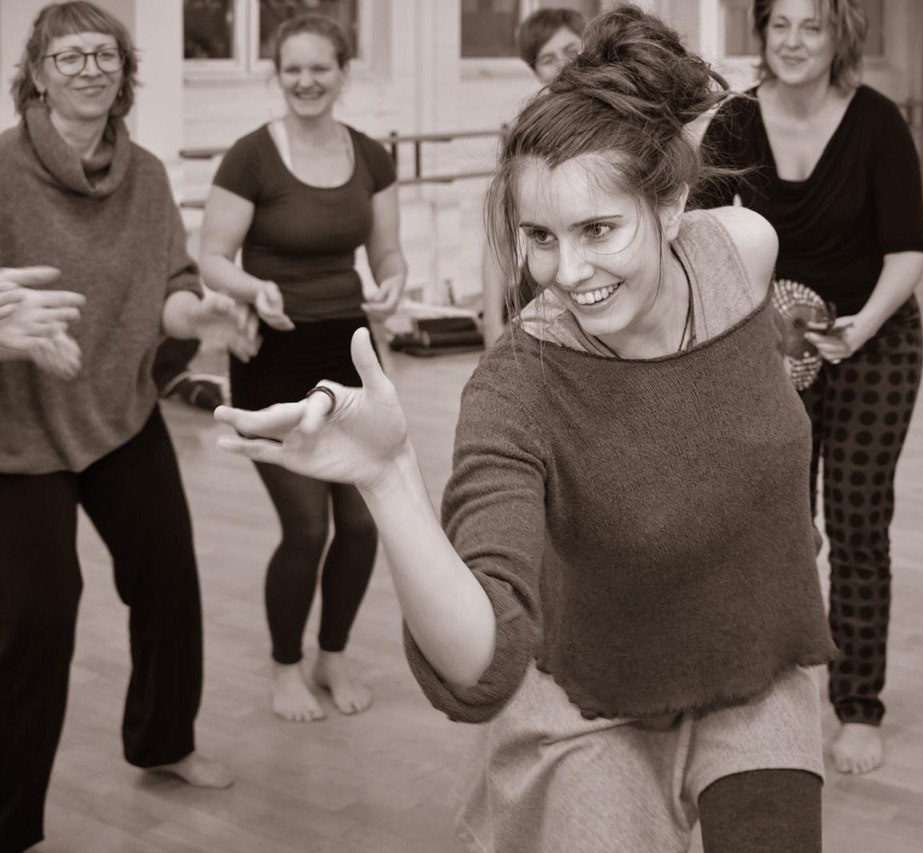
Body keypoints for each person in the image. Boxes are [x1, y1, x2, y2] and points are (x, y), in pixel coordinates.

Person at [216, 6, 837, 850]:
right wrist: (388, 479)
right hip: (593, 696)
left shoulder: (742, 251)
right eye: (540, 237)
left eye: (599, 229)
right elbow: (481, 658)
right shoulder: (518, 386)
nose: (567, 271)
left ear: (671, 204)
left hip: (755, 660)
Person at [0, 3, 255, 849]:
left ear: (124, 72)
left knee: (168, 578)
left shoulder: (144, 175)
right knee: (39, 615)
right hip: (17, 434)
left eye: (104, 55)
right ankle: (9, 822)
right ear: (38, 76)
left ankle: (163, 739)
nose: (89, 69)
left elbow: (170, 286)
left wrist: (200, 313)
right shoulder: (1, 170)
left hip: (118, 410)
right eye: (68, 57)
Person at [695, 0, 923, 774]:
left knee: (857, 525)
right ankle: (773, 687)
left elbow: (908, 248)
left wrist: (859, 327)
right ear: (762, 34)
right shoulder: (735, 121)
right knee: (778, 524)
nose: (794, 41)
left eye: (813, 26)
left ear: (839, 38)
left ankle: (858, 706)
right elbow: (696, 234)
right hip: (773, 349)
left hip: (874, 338)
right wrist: (747, 321)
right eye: (781, 25)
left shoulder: (877, 123)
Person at [199, 13, 407, 722]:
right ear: (277, 75)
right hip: (274, 356)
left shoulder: (371, 156)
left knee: (362, 524)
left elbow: (387, 252)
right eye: (293, 69)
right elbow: (212, 258)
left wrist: (394, 279)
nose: (306, 81)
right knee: (307, 527)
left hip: (346, 351)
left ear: (344, 73)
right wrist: (251, 287)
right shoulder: (251, 157)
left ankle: (333, 654)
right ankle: (285, 666)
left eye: (320, 68)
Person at [480, 8, 586, 348]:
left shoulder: (622, 114)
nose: (564, 65)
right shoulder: (528, 132)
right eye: (548, 59)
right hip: (543, 294)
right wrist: (491, 323)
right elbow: (499, 237)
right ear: (535, 70)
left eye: (571, 50)